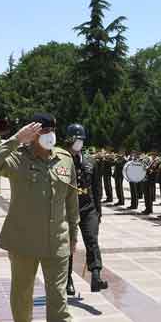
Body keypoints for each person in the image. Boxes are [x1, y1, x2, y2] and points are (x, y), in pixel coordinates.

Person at [0, 113, 79, 322]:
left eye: (52, 129)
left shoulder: (64, 159)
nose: (49, 134)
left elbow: (71, 200)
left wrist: (73, 235)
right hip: (23, 242)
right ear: (32, 134)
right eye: (42, 130)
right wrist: (16, 139)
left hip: (56, 242)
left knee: (58, 300)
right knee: (21, 294)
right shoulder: (17, 158)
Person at [64, 123, 108, 295]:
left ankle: (96, 276)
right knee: (68, 245)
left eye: (81, 139)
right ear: (69, 140)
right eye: (76, 139)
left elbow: (97, 188)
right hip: (68, 209)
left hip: (88, 208)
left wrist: (98, 211)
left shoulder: (90, 161)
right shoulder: (61, 159)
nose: (79, 142)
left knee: (92, 241)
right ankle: (67, 279)